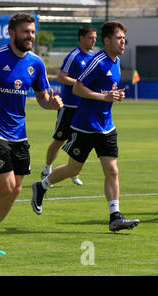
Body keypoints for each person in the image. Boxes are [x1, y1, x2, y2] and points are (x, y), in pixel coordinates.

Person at [0, 13, 63, 254]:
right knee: (5, 185)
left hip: (20, 133)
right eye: (26, 31)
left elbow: (43, 99)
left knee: (15, 189)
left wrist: (53, 104)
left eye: (32, 32)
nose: (31, 36)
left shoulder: (36, 63)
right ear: (12, 33)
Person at [31, 21, 140, 232]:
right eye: (119, 38)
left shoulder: (116, 61)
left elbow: (107, 89)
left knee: (112, 170)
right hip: (85, 125)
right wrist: (103, 96)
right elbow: (78, 89)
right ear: (106, 40)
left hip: (106, 126)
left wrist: (115, 95)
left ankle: (114, 216)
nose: (123, 42)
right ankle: (41, 186)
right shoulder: (97, 62)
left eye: (124, 38)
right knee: (74, 168)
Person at [41, 26, 97, 186]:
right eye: (90, 37)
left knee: (80, 141)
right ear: (81, 38)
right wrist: (80, 84)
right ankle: (47, 168)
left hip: (83, 108)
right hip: (69, 106)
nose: (93, 40)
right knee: (59, 140)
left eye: (94, 37)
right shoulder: (74, 56)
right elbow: (61, 77)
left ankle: (73, 171)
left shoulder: (93, 57)